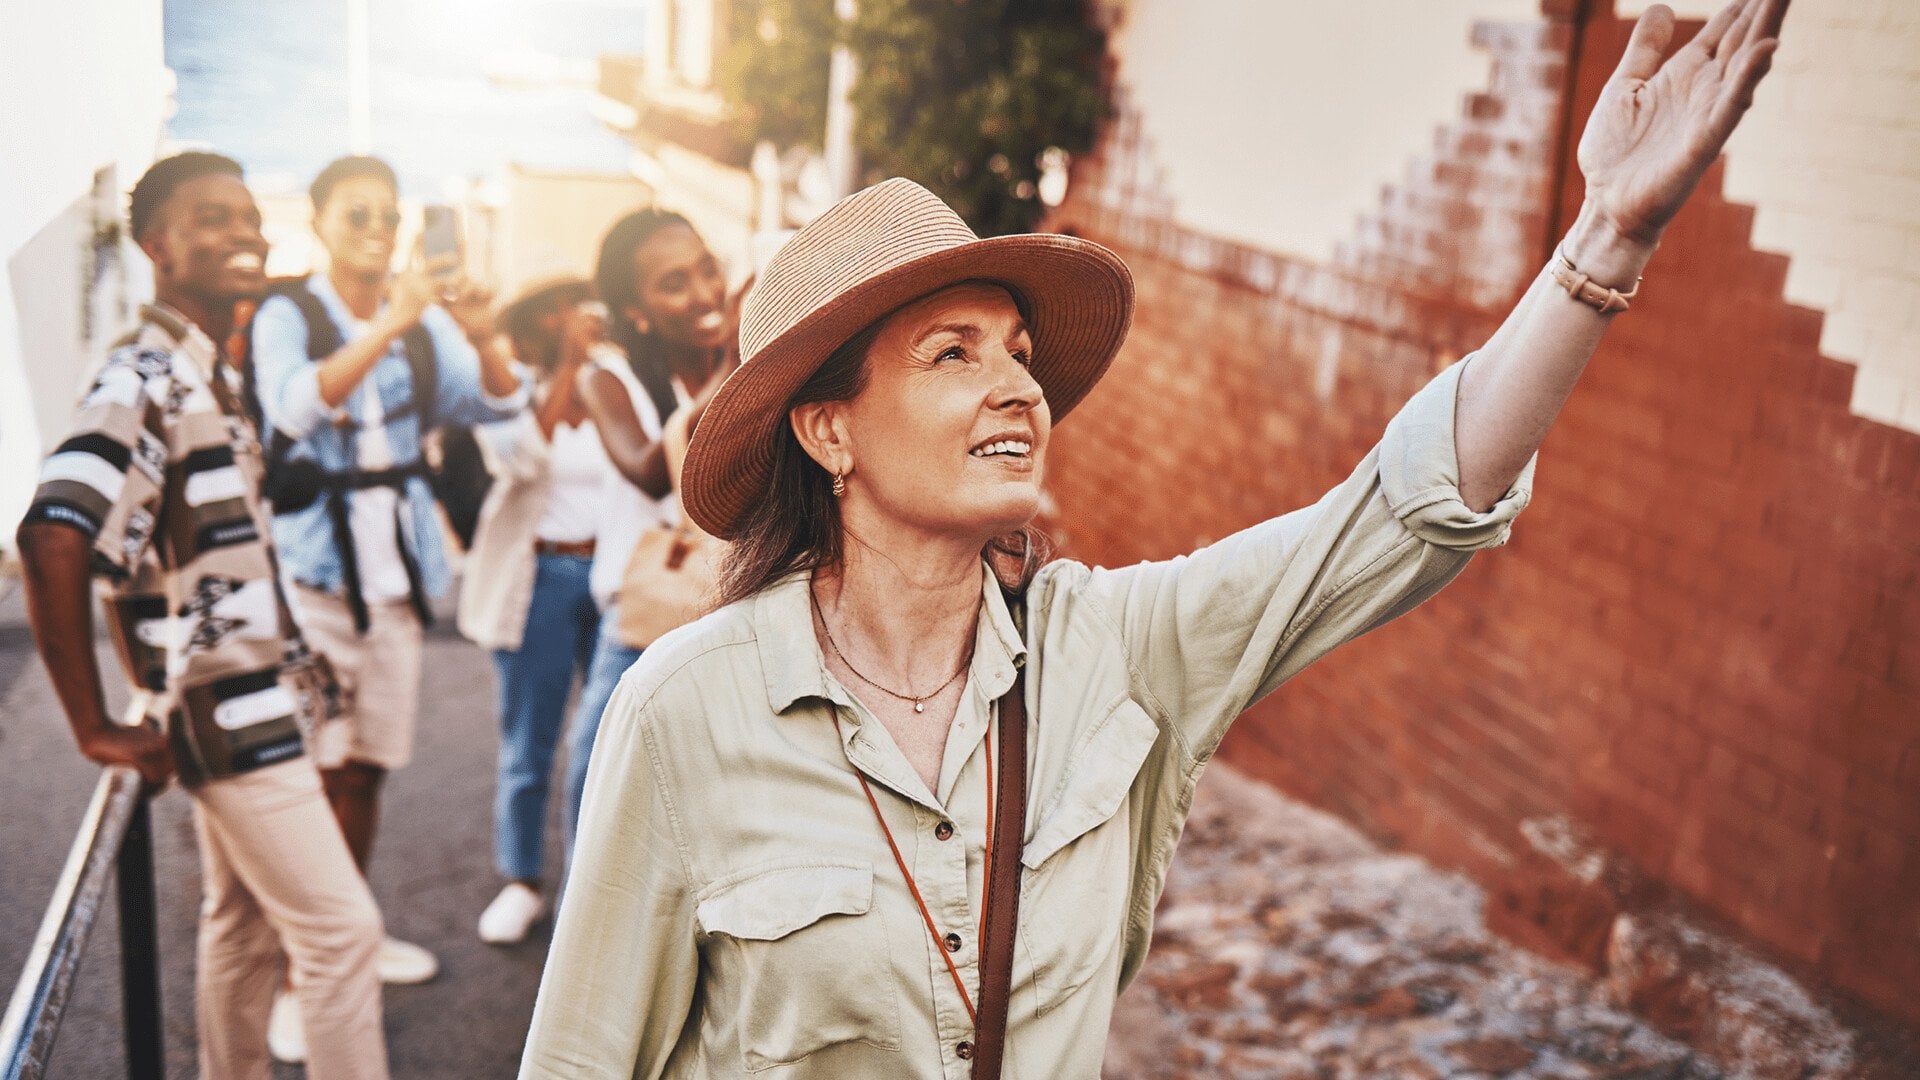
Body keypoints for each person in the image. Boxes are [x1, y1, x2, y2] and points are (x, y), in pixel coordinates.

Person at [517, 1, 1788, 1076]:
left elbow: (1400, 511)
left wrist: (1606, 235)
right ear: (829, 433)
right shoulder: (686, 714)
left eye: (1017, 354)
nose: (1016, 388)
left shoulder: (1117, 652)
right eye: (950, 354)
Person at [15, 151, 388, 1080]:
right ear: (157, 246)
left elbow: (152, 566)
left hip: (245, 707)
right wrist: (94, 724)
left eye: (251, 218)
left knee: (241, 927)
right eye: (213, 219)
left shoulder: (208, 376)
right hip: (236, 722)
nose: (245, 235)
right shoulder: (145, 374)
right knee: (344, 936)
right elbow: (56, 533)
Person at [250, 154, 529, 1050]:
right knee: (316, 773)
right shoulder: (286, 314)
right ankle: (306, 969)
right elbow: (292, 409)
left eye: (387, 215)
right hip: (315, 578)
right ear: (321, 221)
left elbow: (499, 406)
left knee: (367, 765)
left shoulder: (422, 322)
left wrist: (481, 333)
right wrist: (394, 322)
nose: (376, 228)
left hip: (396, 579)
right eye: (356, 214)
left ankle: (348, 936)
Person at [556, 208, 738, 849]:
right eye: (674, 283)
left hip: (734, 615)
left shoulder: (749, 367)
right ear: (635, 311)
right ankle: (585, 939)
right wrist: (737, 359)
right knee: (601, 795)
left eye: (706, 269)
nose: (705, 294)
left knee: (715, 806)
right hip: (644, 622)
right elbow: (651, 472)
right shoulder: (608, 379)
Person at [457, 277, 618, 944]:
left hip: (613, 575)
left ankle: (599, 885)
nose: (569, 315)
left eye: (576, 302)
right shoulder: (507, 385)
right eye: (554, 306)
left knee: (609, 738)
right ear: (534, 319)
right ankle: (521, 880)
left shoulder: (617, 379)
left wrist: (592, 366)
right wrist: (572, 368)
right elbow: (525, 458)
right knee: (530, 742)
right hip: (542, 575)